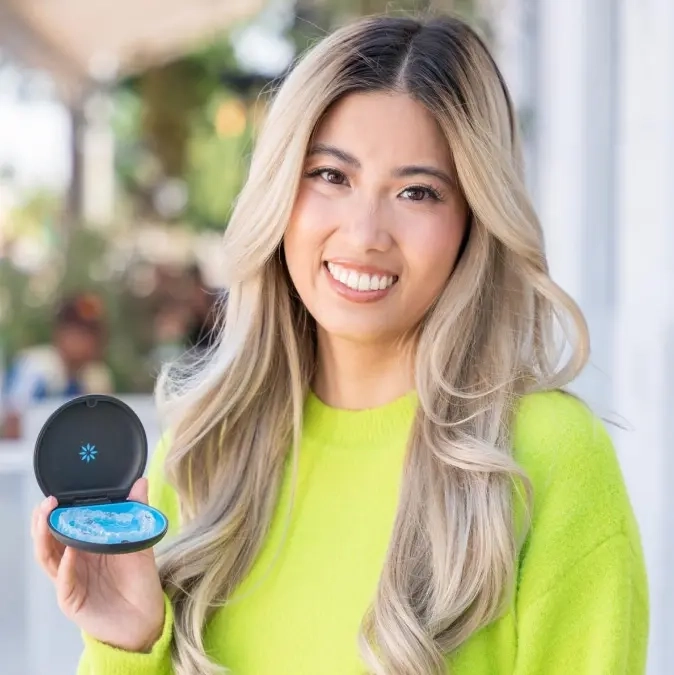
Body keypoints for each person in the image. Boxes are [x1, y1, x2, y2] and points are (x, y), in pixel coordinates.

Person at [32, 14, 648, 675]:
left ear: (473, 220)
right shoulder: (203, 451)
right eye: (331, 175)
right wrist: (126, 645)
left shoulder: (545, 457)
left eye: (418, 192)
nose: (364, 233)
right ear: (280, 190)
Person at [2, 292, 112, 438]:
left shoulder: (96, 378)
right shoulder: (36, 368)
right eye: (78, 331)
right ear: (59, 333)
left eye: (92, 333)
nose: (86, 341)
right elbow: (12, 429)